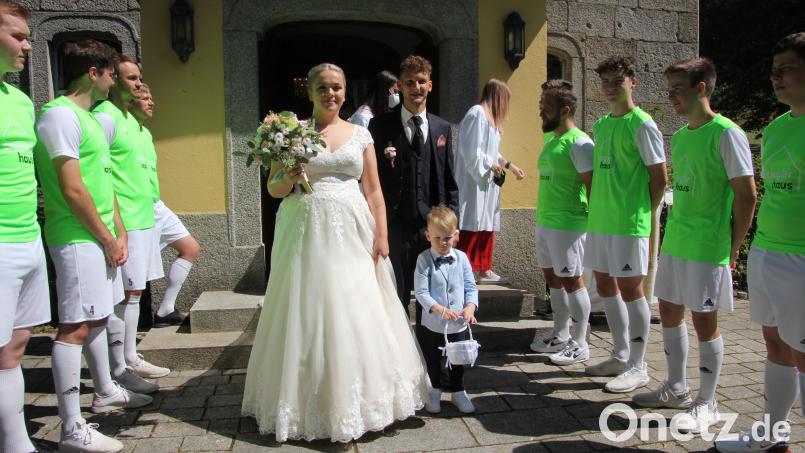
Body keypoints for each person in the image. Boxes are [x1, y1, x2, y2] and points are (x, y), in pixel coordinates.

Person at [242, 63, 427, 443]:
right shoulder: (290, 134)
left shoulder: (361, 134)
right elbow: (274, 190)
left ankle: (361, 402)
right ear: (309, 91)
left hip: (353, 231)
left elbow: (374, 192)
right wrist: (287, 175)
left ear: (346, 92)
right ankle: (306, 404)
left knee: (354, 306)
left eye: (338, 88)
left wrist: (382, 237)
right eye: (323, 88)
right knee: (305, 310)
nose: (331, 94)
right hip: (304, 230)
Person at [34, 39, 152, 453]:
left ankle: (105, 390)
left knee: (99, 318)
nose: (114, 83)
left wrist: (118, 232)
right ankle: (71, 428)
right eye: (109, 74)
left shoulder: (86, 117)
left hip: (101, 237)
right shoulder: (59, 116)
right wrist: (104, 237)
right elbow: (72, 188)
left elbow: (106, 186)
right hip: (76, 237)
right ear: (93, 73)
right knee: (75, 327)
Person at [632, 58, 756, 434]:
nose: (670, 97)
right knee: (669, 310)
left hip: (707, 245)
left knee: (705, 322)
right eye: (668, 90)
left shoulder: (727, 133)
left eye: (677, 90)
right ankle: (676, 387)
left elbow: (747, 195)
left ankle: (708, 401)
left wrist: (733, 247)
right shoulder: (683, 134)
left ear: (702, 88)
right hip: (677, 242)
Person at [716, 32, 805, 453]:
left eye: (786, 68)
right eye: (773, 70)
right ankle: (772, 436)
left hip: (802, 258)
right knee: (776, 343)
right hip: (769, 251)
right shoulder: (775, 128)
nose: (775, 77)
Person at [582, 55, 668, 394]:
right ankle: (619, 355)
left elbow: (658, 178)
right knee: (605, 285)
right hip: (601, 220)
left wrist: (641, 212)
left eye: (616, 81)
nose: (609, 88)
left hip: (629, 222)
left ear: (632, 81)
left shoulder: (643, 124)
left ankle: (638, 365)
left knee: (633, 290)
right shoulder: (602, 125)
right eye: (604, 82)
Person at [93, 55, 169, 383]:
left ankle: (128, 359)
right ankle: (120, 369)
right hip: (123, 220)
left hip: (142, 217)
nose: (138, 84)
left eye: (139, 78)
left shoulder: (130, 121)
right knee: (123, 295)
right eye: (131, 78)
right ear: (112, 80)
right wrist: (114, 224)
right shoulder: (105, 117)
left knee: (135, 292)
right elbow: (97, 173)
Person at [369, 55, 459, 323]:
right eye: (410, 82)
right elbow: (372, 180)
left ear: (430, 85)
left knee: (431, 290)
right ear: (400, 86)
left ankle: (428, 348)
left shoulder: (442, 127)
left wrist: (453, 225)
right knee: (397, 290)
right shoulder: (380, 126)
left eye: (421, 82)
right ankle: (398, 351)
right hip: (395, 224)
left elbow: (449, 179)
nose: (416, 87)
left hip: (431, 225)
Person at [0, 2, 51, 452]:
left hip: (26, 235)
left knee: (16, 347)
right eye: (17, 36)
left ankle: (18, 444)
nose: (27, 45)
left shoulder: (17, 97)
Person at [529, 80, 594, 368]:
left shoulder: (581, 143)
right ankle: (560, 333)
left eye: (546, 107)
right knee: (553, 280)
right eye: (541, 105)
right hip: (546, 221)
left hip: (569, 224)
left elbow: (594, 190)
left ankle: (580, 343)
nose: (541, 111)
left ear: (565, 109)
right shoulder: (552, 139)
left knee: (572, 280)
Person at [129, 83, 201, 327]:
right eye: (145, 98)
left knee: (190, 248)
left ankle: (165, 310)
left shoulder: (145, 133)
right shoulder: (120, 127)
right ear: (129, 100)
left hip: (155, 204)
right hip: (135, 208)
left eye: (152, 97)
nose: (152, 102)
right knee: (133, 281)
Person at [454, 79, 525, 284]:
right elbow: (471, 151)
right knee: (471, 222)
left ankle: (484, 268)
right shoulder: (477, 114)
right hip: (474, 182)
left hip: (487, 182)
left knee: (486, 222)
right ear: (497, 97)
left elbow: (492, 151)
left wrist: (509, 166)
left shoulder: (491, 121)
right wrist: (489, 164)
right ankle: (464, 270)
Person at [414, 205, 479, 414]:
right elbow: (421, 292)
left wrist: (470, 306)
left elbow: (470, 286)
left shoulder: (462, 258)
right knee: (433, 358)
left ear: (456, 236)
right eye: (438, 238)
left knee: (458, 358)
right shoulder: (424, 259)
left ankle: (459, 391)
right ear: (428, 236)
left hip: (458, 322)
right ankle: (434, 391)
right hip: (433, 323)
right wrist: (439, 308)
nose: (443, 243)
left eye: (448, 238)